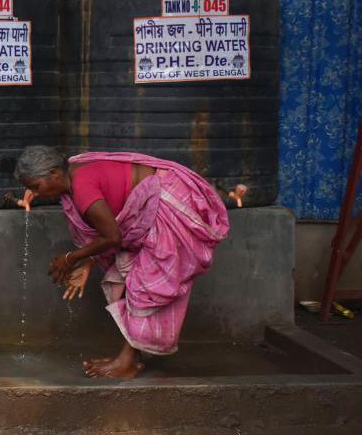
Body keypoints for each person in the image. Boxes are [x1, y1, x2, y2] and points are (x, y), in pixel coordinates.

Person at [14, 146, 229, 379]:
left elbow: (113, 237)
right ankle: (132, 358)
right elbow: (109, 224)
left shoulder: (82, 187)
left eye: (36, 186)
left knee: (143, 284)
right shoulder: (74, 173)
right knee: (134, 278)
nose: (35, 193)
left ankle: (126, 362)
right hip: (156, 201)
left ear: (54, 173)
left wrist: (70, 258)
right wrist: (88, 264)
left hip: (167, 204)